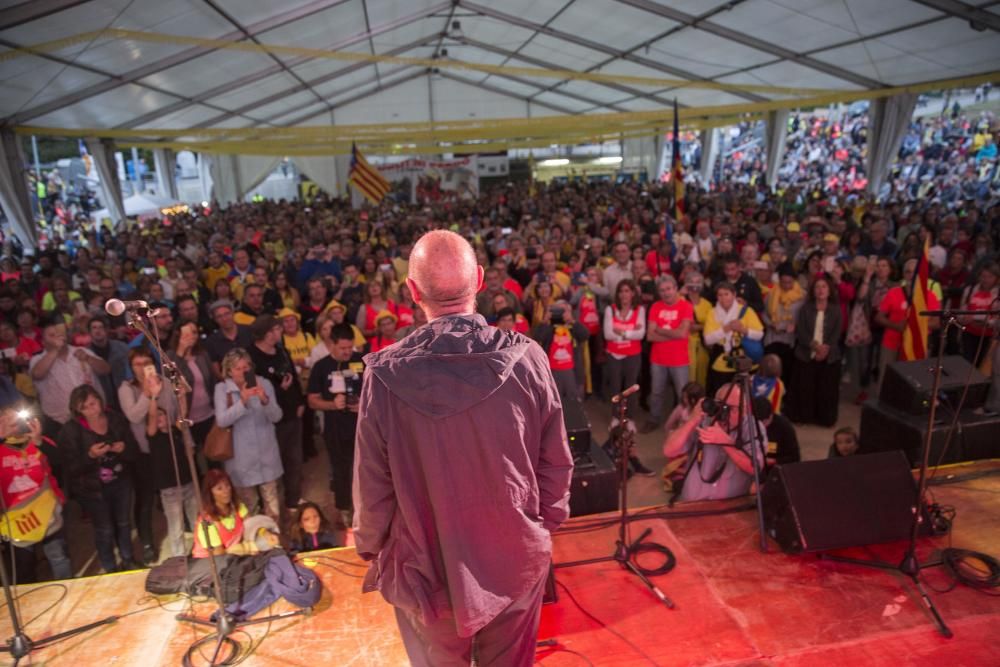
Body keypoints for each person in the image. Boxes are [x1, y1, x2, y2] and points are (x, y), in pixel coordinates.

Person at [354, 230, 573, 667]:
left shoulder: (383, 377)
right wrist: (541, 526)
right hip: (513, 557)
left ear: (413, 291)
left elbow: (372, 484)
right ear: (478, 279)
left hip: (426, 567)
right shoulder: (528, 358)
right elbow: (556, 462)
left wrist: (370, 543)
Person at [59, 385, 139, 572]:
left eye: (93, 403)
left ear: (100, 400)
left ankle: (128, 559)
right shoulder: (71, 431)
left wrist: (123, 448)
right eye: (84, 407)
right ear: (77, 410)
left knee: (124, 522)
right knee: (104, 529)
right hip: (92, 489)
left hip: (120, 481)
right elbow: (70, 468)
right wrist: (90, 456)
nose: (91, 410)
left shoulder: (115, 419)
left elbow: (133, 450)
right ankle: (109, 567)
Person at [0, 405, 73, 583]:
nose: (12, 423)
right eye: (5, 419)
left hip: (48, 514)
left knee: (59, 558)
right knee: (25, 568)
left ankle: (70, 591)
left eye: (15, 418)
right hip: (18, 521)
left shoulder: (39, 442)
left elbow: (60, 461)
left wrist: (39, 440)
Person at [118, 348, 176, 565]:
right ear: (131, 367)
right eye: (137, 364)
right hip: (143, 453)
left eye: (146, 363)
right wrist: (147, 393)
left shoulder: (165, 382)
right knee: (145, 501)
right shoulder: (127, 388)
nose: (143, 368)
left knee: (175, 493)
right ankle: (147, 543)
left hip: (166, 447)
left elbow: (172, 410)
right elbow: (133, 416)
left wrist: (159, 390)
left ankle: (183, 531)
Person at [662, 382, 766, 502]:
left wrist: (726, 442)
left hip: (729, 508)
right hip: (692, 503)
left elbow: (755, 468)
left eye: (732, 409)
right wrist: (692, 421)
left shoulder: (752, 427)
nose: (724, 412)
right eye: (721, 404)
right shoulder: (704, 419)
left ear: (745, 410)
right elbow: (669, 451)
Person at [214, 348, 284, 523]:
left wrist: (265, 401)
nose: (244, 371)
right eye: (238, 368)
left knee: (272, 506)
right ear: (229, 371)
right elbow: (222, 420)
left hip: (266, 454)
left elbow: (277, 416)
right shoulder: (222, 389)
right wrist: (242, 401)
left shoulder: (264, 383)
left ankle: (274, 542)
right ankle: (254, 544)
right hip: (241, 460)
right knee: (248, 508)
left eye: (246, 367)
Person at [307, 323, 364, 527]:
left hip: (362, 428)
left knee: (364, 469)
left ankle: (365, 507)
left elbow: (377, 391)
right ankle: (344, 510)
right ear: (332, 345)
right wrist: (332, 404)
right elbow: (312, 400)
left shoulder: (362, 360)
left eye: (350, 347)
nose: (348, 352)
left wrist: (363, 404)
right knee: (341, 471)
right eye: (343, 348)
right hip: (335, 429)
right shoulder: (321, 367)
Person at [248, 315, 305, 511]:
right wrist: (279, 388)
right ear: (265, 333)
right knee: (272, 463)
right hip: (267, 419)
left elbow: (293, 377)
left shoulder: (281, 350)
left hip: (291, 413)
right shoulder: (250, 357)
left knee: (294, 459)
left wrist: (300, 401)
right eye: (275, 330)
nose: (279, 333)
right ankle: (270, 506)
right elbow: (252, 388)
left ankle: (293, 500)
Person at [787, 274, 842, 427]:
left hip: (829, 355)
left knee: (826, 389)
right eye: (817, 287)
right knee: (805, 388)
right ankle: (805, 416)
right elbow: (801, 331)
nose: (820, 290)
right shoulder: (806, 309)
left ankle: (824, 418)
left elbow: (837, 332)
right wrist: (815, 347)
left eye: (824, 287)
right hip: (806, 353)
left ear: (829, 290)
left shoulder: (836, 310)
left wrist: (825, 349)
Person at [145, 403, 198, 558]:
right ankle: (179, 558)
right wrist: (154, 396)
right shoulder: (153, 437)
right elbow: (152, 417)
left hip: (188, 482)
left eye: (164, 414)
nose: (160, 417)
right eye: (157, 416)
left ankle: (200, 550)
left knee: (196, 520)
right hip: (169, 489)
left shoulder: (177, 432)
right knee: (176, 527)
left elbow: (191, 451)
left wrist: (185, 431)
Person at [643, 275, 692, 433]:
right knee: (656, 392)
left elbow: (683, 334)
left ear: (676, 289)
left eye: (669, 289)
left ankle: (683, 422)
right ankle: (653, 419)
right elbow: (650, 336)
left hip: (680, 359)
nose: (666, 293)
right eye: (662, 290)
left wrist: (660, 330)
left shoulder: (686, 306)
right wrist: (673, 332)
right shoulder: (655, 307)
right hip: (658, 359)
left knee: (682, 394)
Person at [703, 282, 764, 393]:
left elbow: (759, 334)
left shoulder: (746, 311)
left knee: (744, 397)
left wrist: (743, 330)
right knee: (721, 396)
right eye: (720, 295)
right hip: (721, 362)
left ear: (734, 294)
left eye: (726, 294)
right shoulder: (712, 313)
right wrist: (726, 329)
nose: (723, 298)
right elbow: (708, 339)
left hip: (744, 361)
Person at [191, 469, 250, 558]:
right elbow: (218, 554)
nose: (226, 491)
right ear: (210, 493)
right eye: (219, 488)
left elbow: (251, 524)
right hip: (212, 564)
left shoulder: (238, 506)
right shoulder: (207, 522)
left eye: (227, 485)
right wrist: (239, 549)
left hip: (233, 558)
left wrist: (263, 532)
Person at [752, 396, 800, 469]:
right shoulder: (749, 424)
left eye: (764, 422)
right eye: (758, 423)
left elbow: (795, 457)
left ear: (771, 415)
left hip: (774, 468)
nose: (761, 426)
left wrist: (773, 461)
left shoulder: (784, 427)